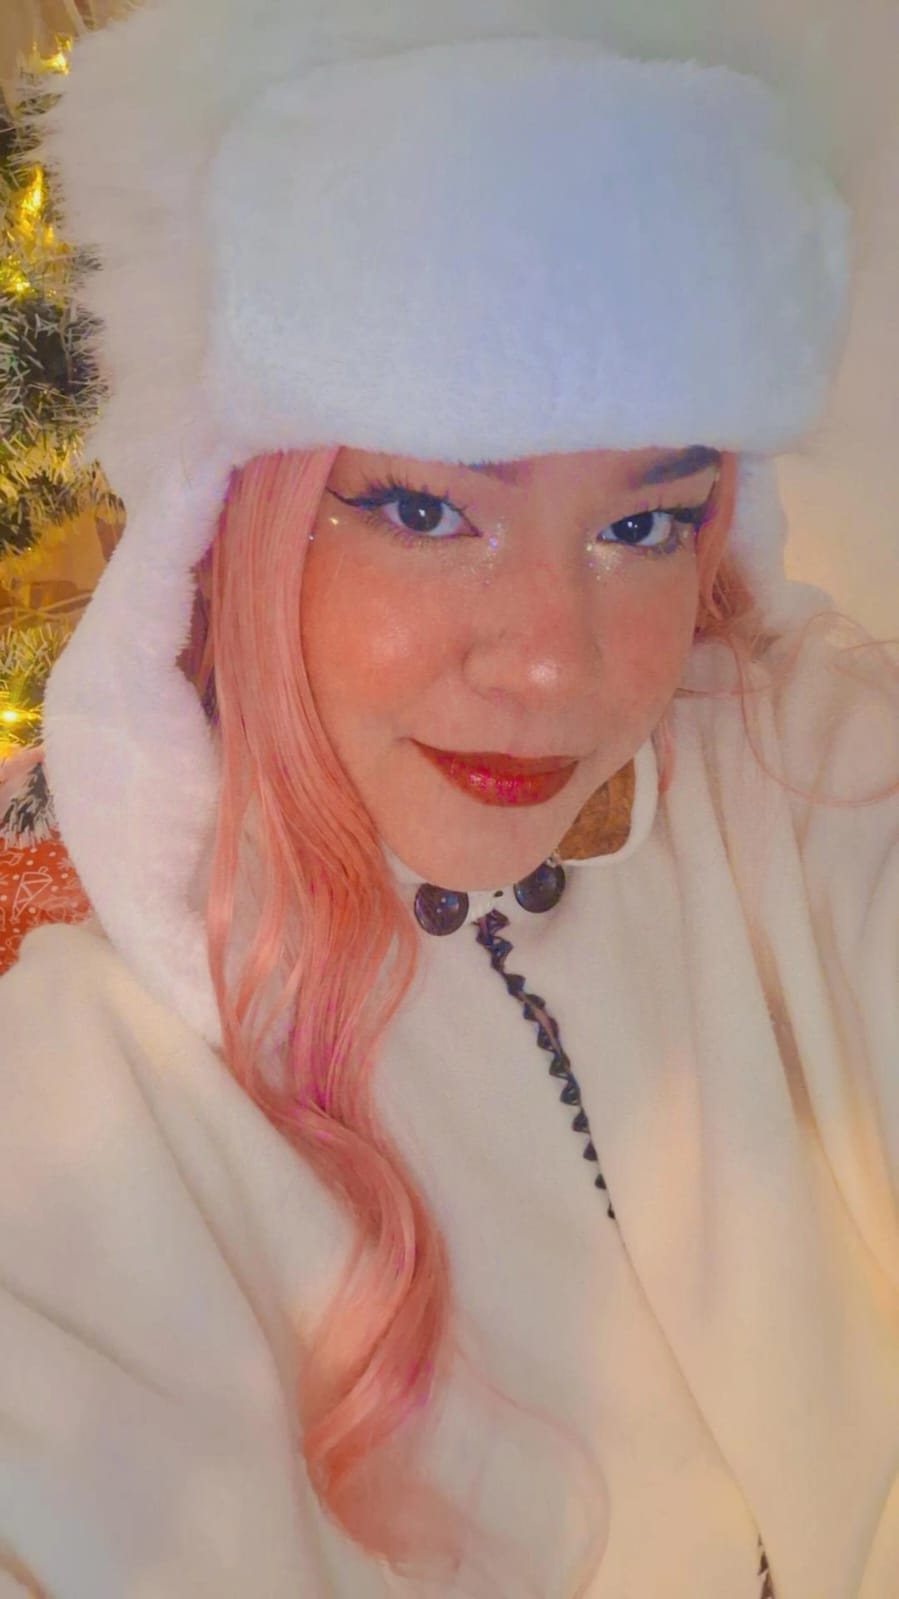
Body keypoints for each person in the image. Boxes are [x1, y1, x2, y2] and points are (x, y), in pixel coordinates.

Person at [1, 4, 898, 1597]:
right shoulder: (87, 1106)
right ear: (233, 525)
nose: (555, 664)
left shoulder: (796, 774)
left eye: (644, 523)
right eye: (425, 510)